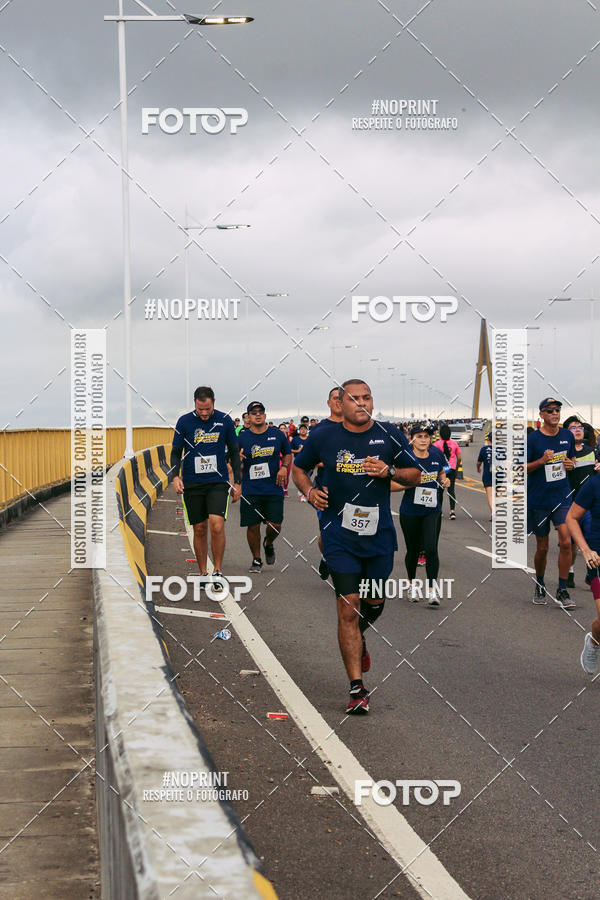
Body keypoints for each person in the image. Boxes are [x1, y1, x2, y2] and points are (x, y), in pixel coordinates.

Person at [292, 379, 421, 715]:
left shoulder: (389, 433)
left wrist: (388, 469)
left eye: (367, 398)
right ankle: (357, 689)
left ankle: (359, 637)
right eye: (354, 399)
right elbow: (298, 468)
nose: (361, 404)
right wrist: (309, 492)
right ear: (340, 404)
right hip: (339, 535)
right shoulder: (323, 435)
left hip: (378, 535)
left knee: (374, 604)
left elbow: (414, 475)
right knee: (349, 606)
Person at [170, 386, 241, 593]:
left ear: (213, 403)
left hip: (217, 482)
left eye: (207, 409)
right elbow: (175, 452)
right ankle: (203, 572)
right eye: (200, 409)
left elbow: (235, 452)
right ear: (195, 403)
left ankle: (217, 570)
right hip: (192, 482)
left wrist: (237, 481)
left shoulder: (224, 421)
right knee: (199, 528)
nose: (204, 413)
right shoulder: (184, 422)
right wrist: (175, 477)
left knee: (217, 525)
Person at [527, 397, 575, 609]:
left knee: (566, 542)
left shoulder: (567, 435)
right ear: (541, 415)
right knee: (543, 547)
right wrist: (541, 461)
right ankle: (539, 583)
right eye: (550, 411)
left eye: (557, 410)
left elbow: (572, 460)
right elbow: (521, 468)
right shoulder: (533, 439)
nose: (555, 413)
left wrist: (570, 464)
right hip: (539, 499)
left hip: (562, 496)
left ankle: (562, 589)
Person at [399, 425, 450, 606]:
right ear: (412, 438)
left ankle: (432, 590)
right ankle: (412, 585)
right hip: (410, 511)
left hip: (432, 509)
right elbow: (393, 480)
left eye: (426, 436)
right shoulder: (405, 457)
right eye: (419, 436)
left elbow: (442, 472)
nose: (423, 439)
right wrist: (411, 482)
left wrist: (444, 479)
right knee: (412, 550)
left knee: (431, 549)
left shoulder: (436, 454)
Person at [237, 401, 292, 572]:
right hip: (251, 488)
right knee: (252, 526)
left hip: (273, 488)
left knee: (275, 524)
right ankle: (256, 559)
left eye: (261, 412)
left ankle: (268, 543)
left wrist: (283, 467)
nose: (258, 414)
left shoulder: (277, 434)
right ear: (248, 417)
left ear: (265, 415)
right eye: (254, 413)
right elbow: (231, 461)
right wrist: (236, 458)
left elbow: (288, 454)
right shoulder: (242, 437)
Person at [304, 387, 344, 577]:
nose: (338, 401)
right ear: (329, 403)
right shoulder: (320, 429)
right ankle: (327, 557)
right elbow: (306, 461)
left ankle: (346, 570)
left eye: (342, 398)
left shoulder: (357, 426)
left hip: (353, 490)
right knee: (328, 533)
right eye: (335, 398)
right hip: (326, 490)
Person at [566, 482, 600, 673]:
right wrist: (585, 550)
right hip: (597, 560)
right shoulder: (594, 486)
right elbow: (571, 517)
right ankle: (595, 641)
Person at [563, 416, 599, 587]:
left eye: (579, 427)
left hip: (589, 505)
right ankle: (569, 572)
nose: (577, 429)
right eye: (572, 427)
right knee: (570, 542)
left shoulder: (592, 450)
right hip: (570, 502)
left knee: (590, 539)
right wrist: (564, 465)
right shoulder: (563, 453)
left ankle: (591, 572)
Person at [433, 424, 461, 520]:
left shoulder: (436, 444)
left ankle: (439, 511)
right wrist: (456, 468)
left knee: (440, 491)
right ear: (450, 434)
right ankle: (452, 511)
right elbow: (459, 458)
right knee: (451, 490)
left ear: (440, 434)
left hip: (441, 470)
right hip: (451, 468)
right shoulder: (454, 444)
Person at [477, 432, 493, 519]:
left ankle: (493, 513)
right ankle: (493, 513)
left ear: (488, 439)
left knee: (490, 496)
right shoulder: (501, 449)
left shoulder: (484, 449)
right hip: (499, 476)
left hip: (487, 475)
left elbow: (478, 462)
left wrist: (478, 468)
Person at [291, 424, 309, 499]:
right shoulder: (295, 439)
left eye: (305, 429)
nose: (303, 430)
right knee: (302, 477)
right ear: (299, 431)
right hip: (298, 461)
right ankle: (303, 494)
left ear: (307, 430)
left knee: (307, 477)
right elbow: (290, 449)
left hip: (309, 461)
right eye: (301, 429)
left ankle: (302, 490)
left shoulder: (310, 439)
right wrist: (297, 450)